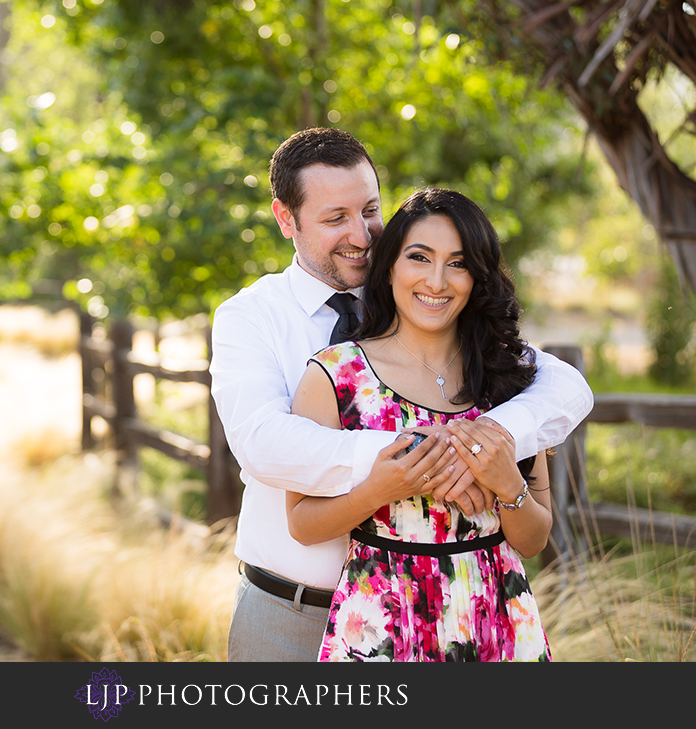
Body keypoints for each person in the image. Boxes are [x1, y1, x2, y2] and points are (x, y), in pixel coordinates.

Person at [209, 127, 592, 662]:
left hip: (462, 613)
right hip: (293, 613)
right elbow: (263, 445)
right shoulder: (251, 318)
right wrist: (430, 456)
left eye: (369, 210)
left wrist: (496, 440)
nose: (363, 235)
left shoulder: (426, 297)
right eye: (334, 218)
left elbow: (562, 385)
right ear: (285, 219)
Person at [287, 187, 552, 661]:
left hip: (497, 623)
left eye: (458, 262)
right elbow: (302, 525)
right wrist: (381, 489)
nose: (437, 280)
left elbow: (533, 541)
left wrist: (508, 483)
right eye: (419, 257)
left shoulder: (509, 380)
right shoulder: (335, 376)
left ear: (477, 276)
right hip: (384, 624)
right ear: (389, 266)